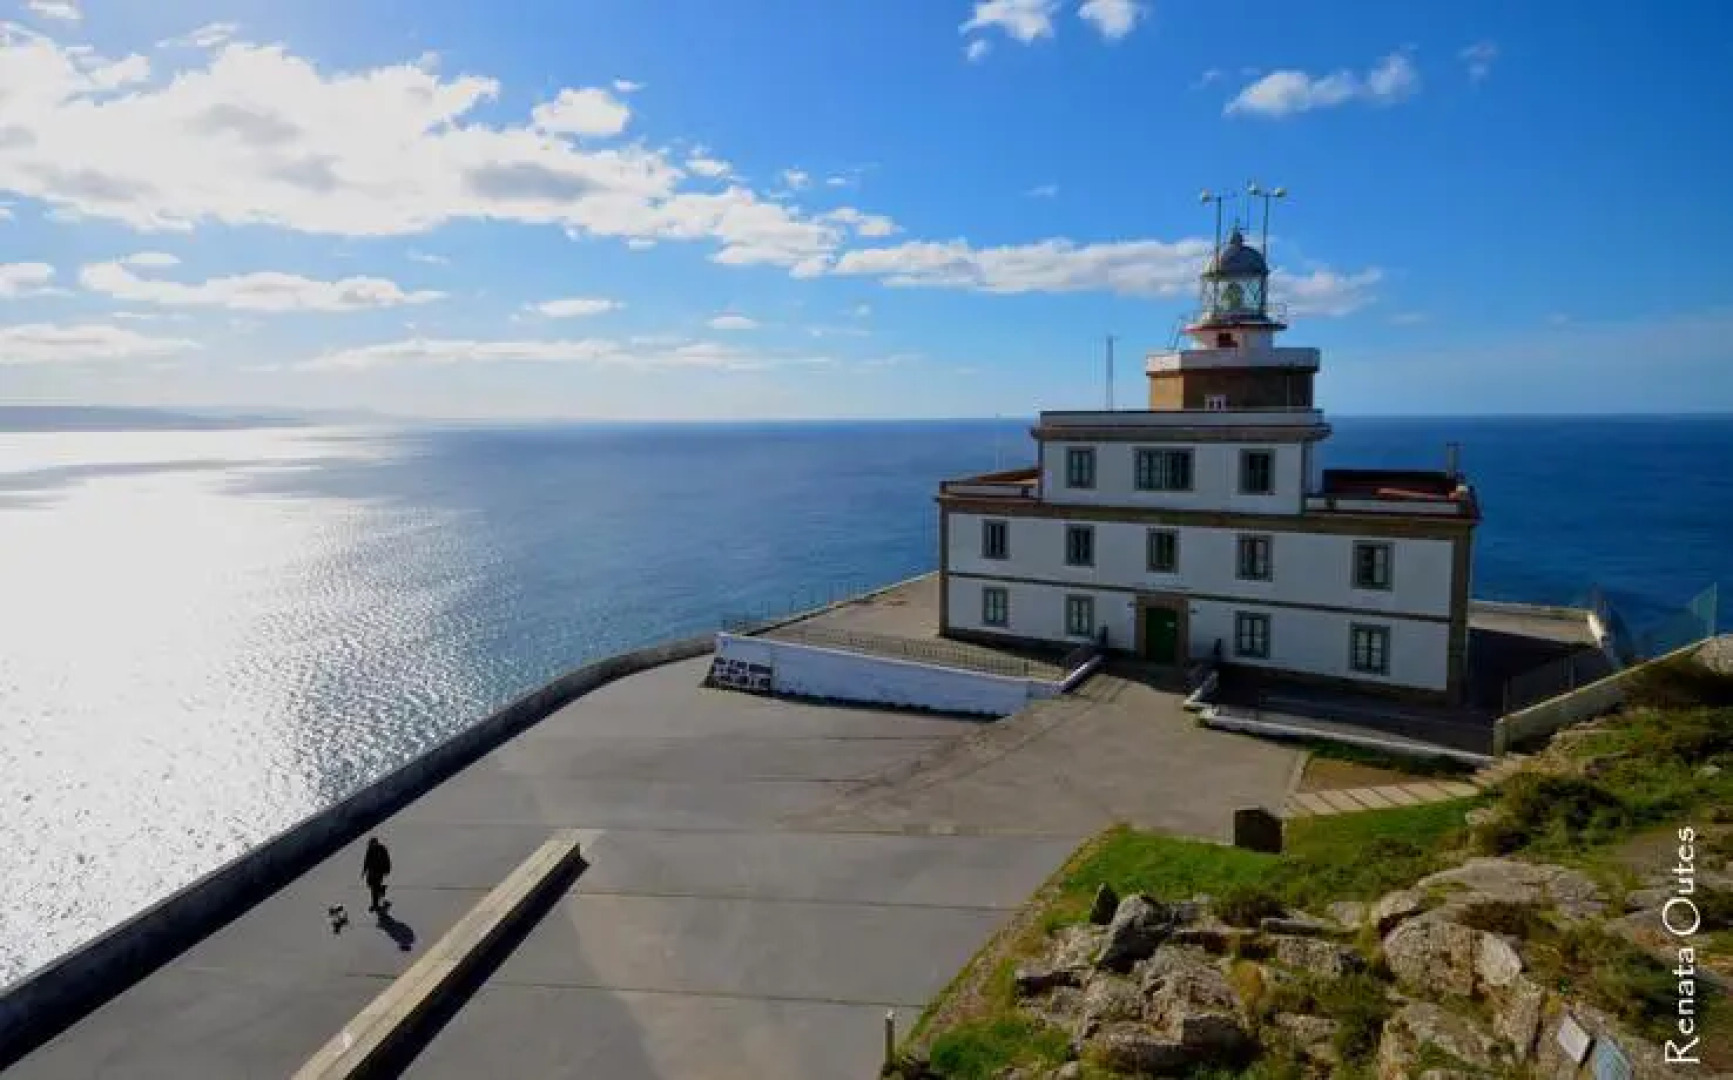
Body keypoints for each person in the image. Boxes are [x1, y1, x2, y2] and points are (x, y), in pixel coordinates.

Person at [362, 836, 392, 913]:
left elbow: (386, 859)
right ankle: (382, 890)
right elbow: (367, 861)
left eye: (373, 843)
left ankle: (375, 904)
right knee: (370, 884)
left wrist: (387, 869)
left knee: (374, 887)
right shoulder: (369, 850)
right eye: (371, 844)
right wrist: (364, 871)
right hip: (371, 871)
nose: (372, 845)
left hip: (379, 870)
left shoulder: (381, 848)